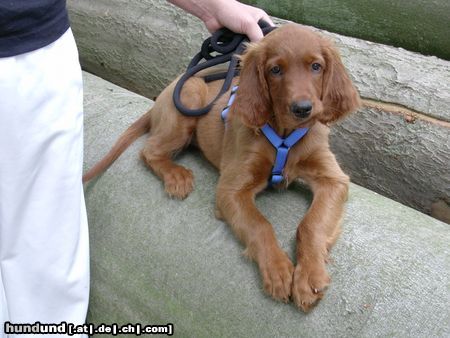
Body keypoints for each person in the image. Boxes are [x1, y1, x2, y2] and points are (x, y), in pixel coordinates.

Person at [0, 0, 272, 336]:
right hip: (22, 54)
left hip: (25, 49)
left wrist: (211, 7)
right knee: (40, 235)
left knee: (40, 231)